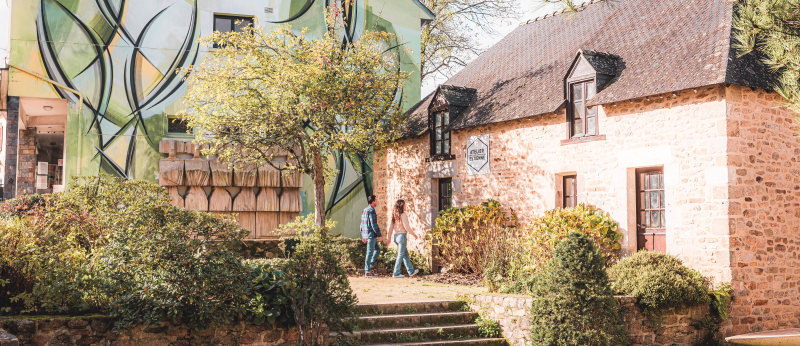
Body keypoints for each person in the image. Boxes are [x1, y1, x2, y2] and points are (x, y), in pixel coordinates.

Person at [385, 199, 420, 278]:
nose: (405, 206)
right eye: (404, 205)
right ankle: (396, 273)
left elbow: (391, 227)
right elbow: (407, 227)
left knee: (405, 255)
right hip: (402, 237)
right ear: (401, 206)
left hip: (396, 237)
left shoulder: (394, 215)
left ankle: (411, 271)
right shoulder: (403, 215)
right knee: (401, 255)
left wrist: (389, 237)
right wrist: (414, 235)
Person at [360, 195, 382, 277]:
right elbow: (373, 224)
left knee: (377, 250)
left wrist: (363, 235)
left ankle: (371, 265)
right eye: (376, 200)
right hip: (371, 235)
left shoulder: (365, 210)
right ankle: (367, 271)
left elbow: (361, 224)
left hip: (367, 235)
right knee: (369, 253)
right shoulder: (371, 210)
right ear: (373, 201)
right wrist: (379, 235)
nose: (377, 201)